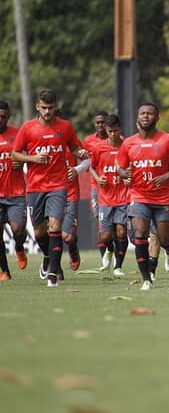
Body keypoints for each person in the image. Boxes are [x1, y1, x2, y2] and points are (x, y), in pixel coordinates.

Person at [12, 89, 89, 287]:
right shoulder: (28, 128)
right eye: (43, 108)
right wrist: (33, 159)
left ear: (55, 107)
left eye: (50, 108)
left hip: (58, 185)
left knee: (55, 227)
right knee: (39, 233)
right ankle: (48, 258)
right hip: (35, 187)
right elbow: (15, 154)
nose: (47, 112)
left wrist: (79, 152)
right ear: (38, 106)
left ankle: (53, 275)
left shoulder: (65, 127)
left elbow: (75, 148)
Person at [116, 103, 169, 291]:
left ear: (157, 118)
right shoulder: (128, 143)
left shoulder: (167, 140)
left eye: (150, 113)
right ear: (138, 118)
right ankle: (147, 279)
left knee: (164, 240)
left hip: (163, 198)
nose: (146, 116)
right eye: (143, 113)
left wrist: (166, 176)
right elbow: (120, 167)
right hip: (138, 196)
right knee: (140, 233)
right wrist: (124, 174)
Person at [89, 114, 130, 277]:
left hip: (123, 197)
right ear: (105, 129)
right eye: (110, 131)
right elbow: (91, 167)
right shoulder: (99, 147)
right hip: (105, 198)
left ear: (120, 129)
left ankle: (118, 266)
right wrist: (99, 179)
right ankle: (110, 250)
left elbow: (133, 165)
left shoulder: (126, 145)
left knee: (121, 232)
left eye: (116, 130)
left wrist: (129, 178)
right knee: (106, 235)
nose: (113, 134)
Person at [83, 111, 115, 271]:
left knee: (117, 227)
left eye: (103, 122)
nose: (100, 125)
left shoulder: (119, 141)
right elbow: (86, 163)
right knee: (101, 223)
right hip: (97, 188)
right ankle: (107, 253)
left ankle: (115, 257)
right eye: (97, 123)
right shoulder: (89, 141)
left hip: (116, 188)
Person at [0, 100, 28, 280]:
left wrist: (23, 159)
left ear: (8, 117)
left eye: (3, 117)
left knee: (18, 230)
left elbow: (30, 155)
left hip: (16, 193)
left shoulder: (17, 134)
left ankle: (19, 247)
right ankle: (4, 271)